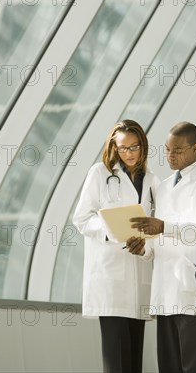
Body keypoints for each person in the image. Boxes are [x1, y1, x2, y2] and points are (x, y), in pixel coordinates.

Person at [128, 121, 196, 373]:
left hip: (194, 292)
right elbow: (160, 240)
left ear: (195, 148)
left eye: (178, 150)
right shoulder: (163, 187)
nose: (170, 156)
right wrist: (145, 249)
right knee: (169, 368)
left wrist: (164, 227)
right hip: (165, 292)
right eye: (167, 150)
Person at [73, 119, 160, 373]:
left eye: (134, 147)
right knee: (117, 364)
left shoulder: (153, 182)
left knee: (134, 363)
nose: (129, 154)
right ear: (114, 147)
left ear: (143, 146)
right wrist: (111, 233)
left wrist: (146, 248)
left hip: (139, 279)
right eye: (123, 148)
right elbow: (82, 218)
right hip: (110, 281)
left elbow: (158, 228)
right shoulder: (100, 173)